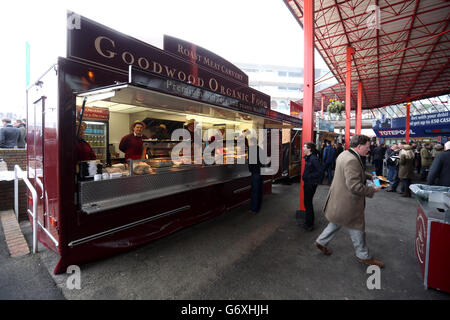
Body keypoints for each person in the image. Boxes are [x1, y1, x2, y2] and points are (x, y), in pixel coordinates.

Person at [314, 134, 384, 268]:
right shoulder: (352, 160)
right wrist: (373, 189)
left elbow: (355, 174)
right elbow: (355, 186)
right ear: (359, 146)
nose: (369, 149)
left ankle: (321, 241)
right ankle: (363, 256)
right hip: (349, 203)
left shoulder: (345, 154)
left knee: (336, 223)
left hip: (339, 201)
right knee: (357, 227)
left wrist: (370, 176)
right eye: (367, 147)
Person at [301, 142, 323, 231]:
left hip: (311, 184)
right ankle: (308, 222)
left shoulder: (313, 159)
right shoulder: (309, 158)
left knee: (308, 203)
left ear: (309, 149)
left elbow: (320, 171)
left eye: (304, 147)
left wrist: (308, 176)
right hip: (308, 183)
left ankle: (309, 225)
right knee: (307, 202)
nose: (303, 148)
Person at [248, 137, 263, 214]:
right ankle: (258, 207)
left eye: (249, 142)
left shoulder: (252, 150)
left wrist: (250, 169)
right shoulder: (260, 149)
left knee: (255, 191)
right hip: (260, 172)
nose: (248, 143)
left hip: (255, 173)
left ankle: (254, 209)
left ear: (252, 142)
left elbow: (251, 163)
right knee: (259, 190)